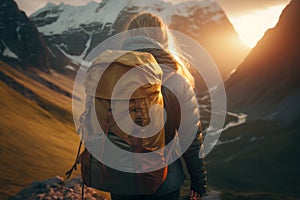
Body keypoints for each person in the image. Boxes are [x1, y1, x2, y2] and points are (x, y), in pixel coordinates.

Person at [109, 12, 207, 200]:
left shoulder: (111, 76)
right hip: (164, 182)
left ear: (129, 37)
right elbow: (191, 139)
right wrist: (199, 183)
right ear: (162, 38)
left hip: (120, 181)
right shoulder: (177, 80)